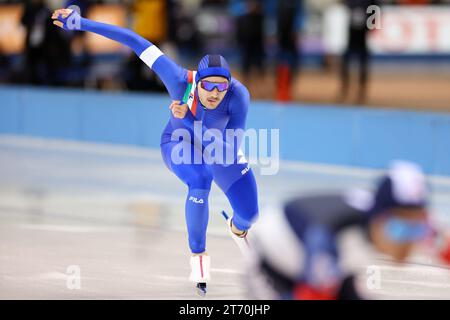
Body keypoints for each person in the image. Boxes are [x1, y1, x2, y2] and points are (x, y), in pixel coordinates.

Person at [51, 7, 259, 296]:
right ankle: (199, 257)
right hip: (177, 142)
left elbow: (228, 151)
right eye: (208, 85)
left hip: (217, 147)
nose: (214, 93)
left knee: (251, 213)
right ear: (197, 82)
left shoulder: (239, 96)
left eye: (221, 87)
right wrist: (81, 23)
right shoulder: (177, 79)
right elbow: (135, 41)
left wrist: (188, 121)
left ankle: (238, 229)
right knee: (200, 179)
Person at [246, 161, 434, 299]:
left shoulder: (388, 220)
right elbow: (312, 294)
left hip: (334, 266)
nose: (406, 244)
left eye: (415, 230)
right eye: (399, 230)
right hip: (272, 263)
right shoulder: (327, 238)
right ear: (377, 219)